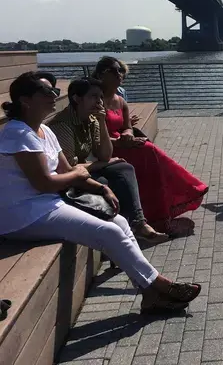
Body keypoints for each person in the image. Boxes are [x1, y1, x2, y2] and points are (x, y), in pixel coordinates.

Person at [0, 72, 201, 314]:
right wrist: (78, 176)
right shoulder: (18, 133)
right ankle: (160, 286)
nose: (55, 95)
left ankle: (150, 294)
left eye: (55, 91)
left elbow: (65, 170)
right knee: (107, 231)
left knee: (120, 221)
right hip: (22, 214)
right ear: (25, 100)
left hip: (48, 203)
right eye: (47, 92)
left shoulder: (44, 130)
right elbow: (45, 182)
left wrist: (101, 188)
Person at [92, 57, 208, 234]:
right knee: (150, 153)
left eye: (120, 71)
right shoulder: (94, 99)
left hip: (124, 144)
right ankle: (163, 211)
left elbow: (127, 127)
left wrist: (127, 135)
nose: (119, 74)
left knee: (149, 153)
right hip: (105, 147)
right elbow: (92, 134)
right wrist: (120, 141)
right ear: (101, 74)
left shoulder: (120, 100)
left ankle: (170, 204)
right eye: (113, 71)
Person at [48, 76, 168, 244]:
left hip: (84, 169)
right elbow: (68, 169)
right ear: (76, 98)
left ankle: (138, 224)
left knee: (125, 168)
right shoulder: (62, 126)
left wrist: (102, 121)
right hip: (65, 179)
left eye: (100, 97)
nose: (99, 101)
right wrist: (104, 164)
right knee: (106, 179)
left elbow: (104, 154)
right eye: (94, 96)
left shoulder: (92, 119)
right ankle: (120, 236)